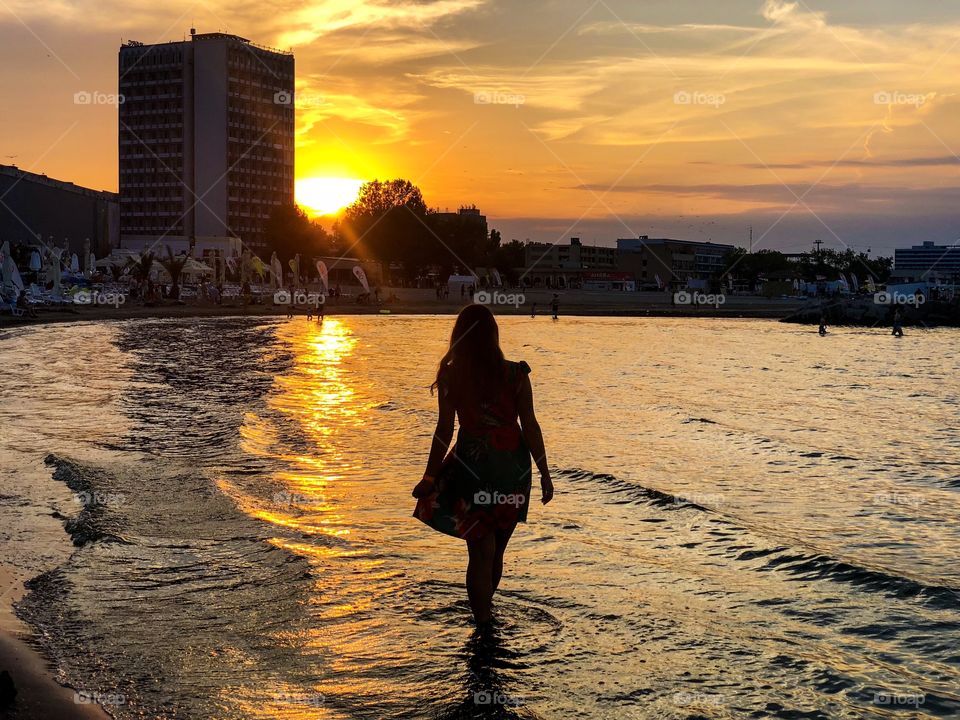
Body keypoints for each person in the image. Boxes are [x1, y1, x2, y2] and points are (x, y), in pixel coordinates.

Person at [413, 304, 553, 628]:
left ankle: (483, 623)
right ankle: (487, 620)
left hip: (474, 468)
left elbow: (444, 429)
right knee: (497, 551)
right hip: (513, 471)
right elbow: (530, 426)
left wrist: (430, 474)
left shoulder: (452, 377)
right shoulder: (517, 374)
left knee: (480, 552)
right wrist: (545, 473)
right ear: (494, 335)